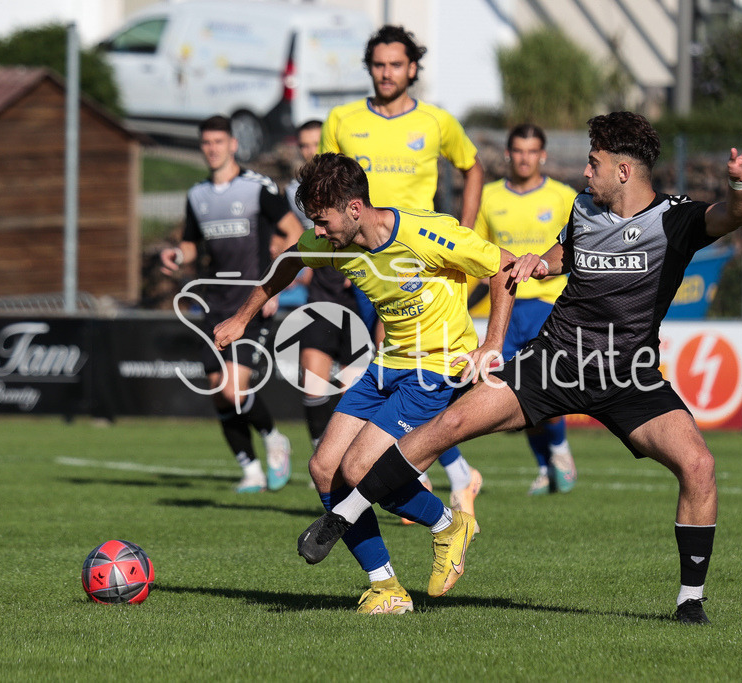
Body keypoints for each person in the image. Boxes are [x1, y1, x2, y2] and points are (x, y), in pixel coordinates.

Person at [298, 112, 742, 625]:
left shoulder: (675, 219)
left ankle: (689, 602)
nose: (585, 172)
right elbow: (568, 251)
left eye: (593, 163)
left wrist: (737, 185)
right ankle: (350, 515)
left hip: (627, 374)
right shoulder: (584, 208)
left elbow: (731, 216)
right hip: (554, 361)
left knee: (699, 466)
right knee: (449, 424)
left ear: (623, 171)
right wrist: (541, 263)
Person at [213, 153, 518, 612]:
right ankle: (386, 588)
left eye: (322, 220)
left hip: (435, 368)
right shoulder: (331, 242)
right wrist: (241, 318)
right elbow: (285, 265)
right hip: (386, 365)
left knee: (358, 469)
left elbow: (504, 267)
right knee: (323, 467)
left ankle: (448, 524)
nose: (317, 231)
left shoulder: (425, 232)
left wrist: (491, 342)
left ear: (355, 209)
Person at [319, 24, 485, 517]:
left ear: (412, 68)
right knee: (391, 377)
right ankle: (451, 476)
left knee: (403, 371)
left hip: (420, 268)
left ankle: (430, 484)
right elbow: (324, 182)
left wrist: (465, 235)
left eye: (396, 64)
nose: (386, 73)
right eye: (378, 64)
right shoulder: (343, 119)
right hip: (363, 264)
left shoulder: (435, 121)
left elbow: (471, 166)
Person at [160, 115, 304, 494]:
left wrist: (273, 289)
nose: (212, 148)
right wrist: (177, 253)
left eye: (219, 141)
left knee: (233, 390)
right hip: (212, 303)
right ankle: (250, 468)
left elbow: (294, 234)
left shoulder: (257, 188)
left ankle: (274, 438)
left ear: (233, 144)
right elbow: (191, 245)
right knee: (216, 388)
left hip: (251, 302)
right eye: (206, 142)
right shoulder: (197, 195)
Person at [473, 124, 578, 495]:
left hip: (550, 304)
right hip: (505, 308)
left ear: (543, 156)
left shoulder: (564, 197)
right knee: (518, 394)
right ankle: (544, 466)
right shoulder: (487, 197)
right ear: (508, 153)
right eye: (518, 150)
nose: (524, 158)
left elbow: (577, 250)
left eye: (532, 151)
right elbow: (477, 255)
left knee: (548, 384)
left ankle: (561, 452)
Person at [284, 120, 365, 451]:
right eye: (303, 145)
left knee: (353, 391)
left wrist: (358, 267)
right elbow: (285, 235)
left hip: (357, 298)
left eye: (315, 143)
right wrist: (293, 264)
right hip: (321, 296)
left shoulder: (351, 190)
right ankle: (323, 458)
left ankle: (347, 460)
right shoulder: (293, 193)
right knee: (313, 385)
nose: (309, 151)